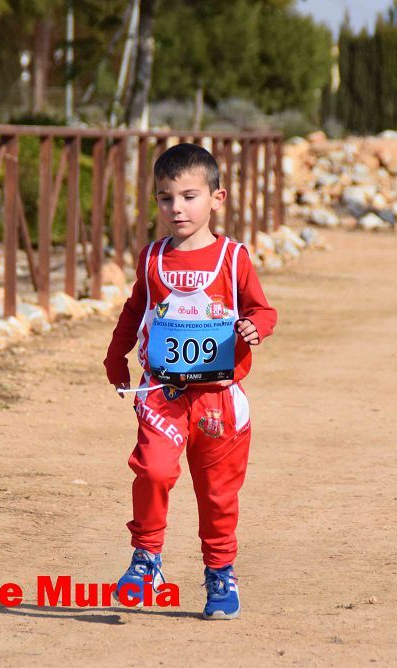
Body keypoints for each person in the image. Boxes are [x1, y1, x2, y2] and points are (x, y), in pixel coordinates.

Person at [103, 143, 278, 620]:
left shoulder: (234, 258)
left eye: (188, 196)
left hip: (219, 401)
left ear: (216, 199)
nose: (176, 208)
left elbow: (264, 310)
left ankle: (220, 573)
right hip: (163, 393)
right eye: (164, 198)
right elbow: (135, 309)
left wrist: (253, 328)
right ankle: (146, 560)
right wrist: (115, 355)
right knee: (154, 470)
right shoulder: (151, 258)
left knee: (218, 492)